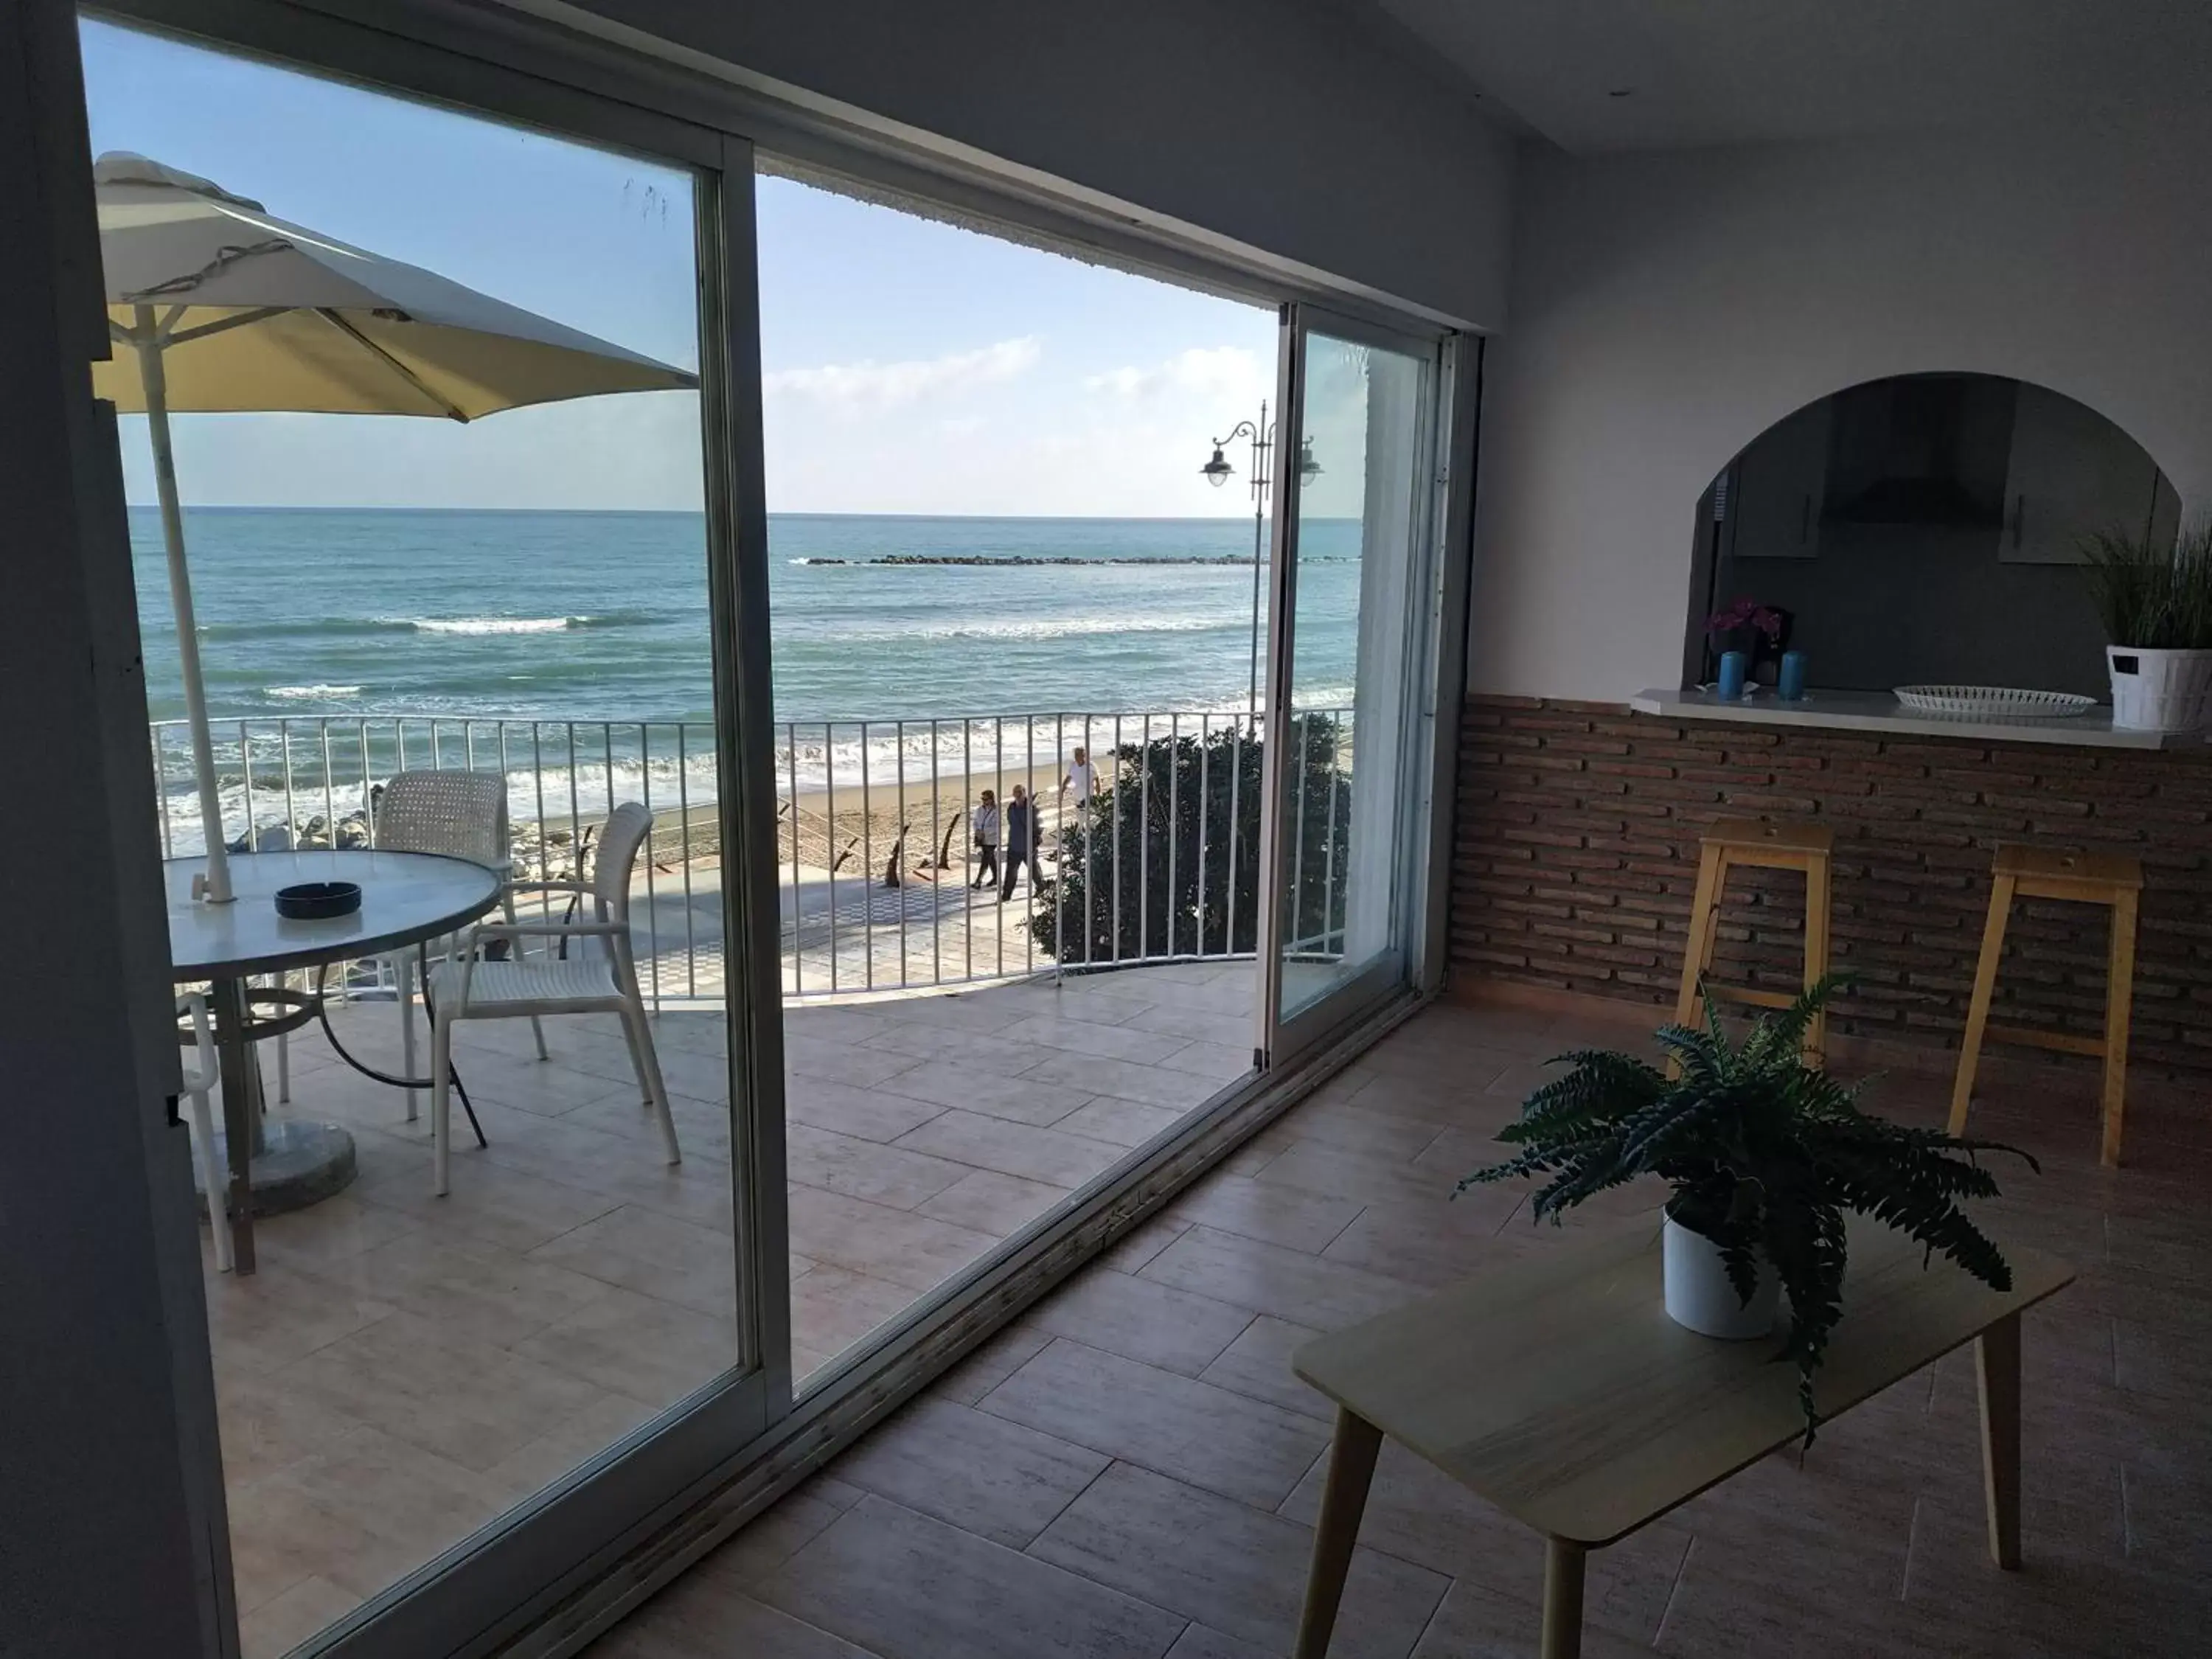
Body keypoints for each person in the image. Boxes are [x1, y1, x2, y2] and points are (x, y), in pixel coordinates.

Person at [998, 784, 1036, 902]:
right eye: (1016, 793)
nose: (1018, 795)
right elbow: (1011, 821)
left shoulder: (1032, 808)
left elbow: (1037, 826)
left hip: (1028, 847)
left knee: (1034, 871)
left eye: (1020, 792)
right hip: (1014, 845)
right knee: (1010, 874)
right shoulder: (1011, 807)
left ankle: (1042, 887)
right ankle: (1006, 896)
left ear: (1025, 793)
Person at [970, 788, 1000, 891]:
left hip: (992, 839)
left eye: (986, 799)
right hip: (981, 838)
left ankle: (978, 881)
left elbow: (996, 826)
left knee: (986, 859)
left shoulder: (996, 811)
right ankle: (996, 878)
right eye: (982, 799)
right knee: (990, 859)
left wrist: (984, 832)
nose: (984, 801)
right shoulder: (979, 810)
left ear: (991, 799)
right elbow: (975, 822)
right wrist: (977, 830)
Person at [1061, 745, 1096, 809]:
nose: (1077, 757)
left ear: (1084, 755)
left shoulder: (1090, 766)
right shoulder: (1072, 765)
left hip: (1089, 798)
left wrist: (1098, 795)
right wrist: (1062, 792)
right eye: (1076, 755)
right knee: (1080, 816)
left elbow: (1097, 779)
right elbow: (1067, 779)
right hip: (1078, 799)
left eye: (1079, 755)